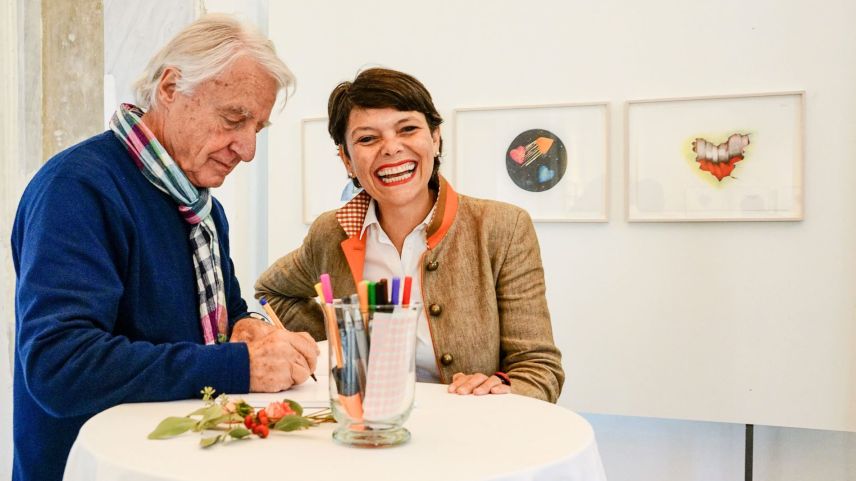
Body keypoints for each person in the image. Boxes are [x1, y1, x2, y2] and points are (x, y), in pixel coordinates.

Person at [11, 15, 318, 481]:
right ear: (171, 87)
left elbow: (224, 314)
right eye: (234, 119)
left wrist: (247, 328)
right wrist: (240, 366)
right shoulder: (76, 189)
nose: (248, 149)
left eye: (258, 127)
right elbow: (61, 365)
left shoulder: (202, 208)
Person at [255, 68, 563, 402]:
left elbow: (539, 370)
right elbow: (272, 291)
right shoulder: (331, 233)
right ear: (346, 159)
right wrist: (339, 343)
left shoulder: (502, 227)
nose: (391, 148)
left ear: (435, 138)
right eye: (367, 139)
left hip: (469, 426)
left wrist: (500, 388)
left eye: (408, 129)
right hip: (368, 422)